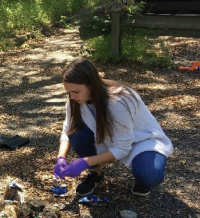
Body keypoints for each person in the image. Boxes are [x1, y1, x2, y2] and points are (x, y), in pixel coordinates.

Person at [53, 58, 173, 197]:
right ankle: (95, 174)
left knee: (149, 175)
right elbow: (68, 128)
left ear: (91, 85)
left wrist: (84, 162)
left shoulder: (118, 101)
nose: (72, 96)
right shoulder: (75, 100)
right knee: (77, 133)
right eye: (69, 92)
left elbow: (123, 147)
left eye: (76, 91)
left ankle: (143, 178)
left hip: (141, 140)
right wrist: (61, 157)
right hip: (110, 138)